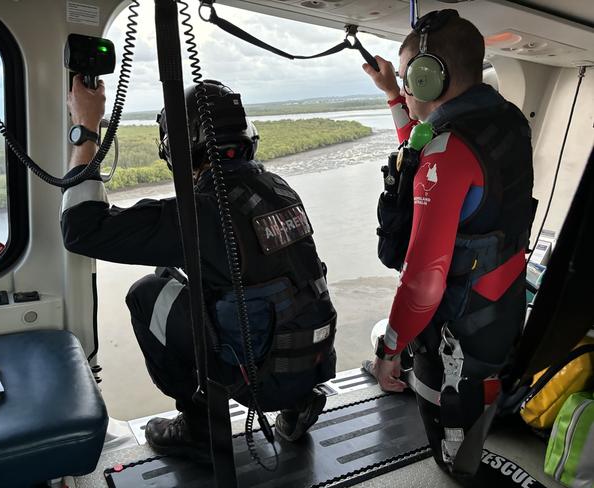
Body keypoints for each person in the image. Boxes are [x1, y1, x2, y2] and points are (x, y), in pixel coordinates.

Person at [60, 77, 336, 461]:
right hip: (313, 362)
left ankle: (199, 427)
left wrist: (86, 127)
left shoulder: (202, 212)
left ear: (177, 151)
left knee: (147, 293)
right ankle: (298, 400)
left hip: (259, 379)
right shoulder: (279, 188)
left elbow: (81, 229)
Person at [361, 9, 534, 479]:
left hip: (459, 331)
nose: (407, 86)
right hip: (500, 301)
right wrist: (394, 96)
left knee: (453, 463)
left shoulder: (449, 149)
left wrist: (388, 354)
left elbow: (421, 283)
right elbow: (422, 147)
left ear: (431, 77)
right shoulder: (507, 121)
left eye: (409, 77)